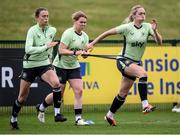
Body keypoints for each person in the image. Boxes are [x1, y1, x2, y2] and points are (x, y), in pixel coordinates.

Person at [86, 5, 162, 126]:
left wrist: (156, 31)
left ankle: (109, 116)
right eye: (141, 13)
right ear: (134, 15)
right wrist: (91, 44)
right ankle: (145, 105)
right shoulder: (127, 27)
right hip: (123, 60)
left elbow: (159, 43)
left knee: (123, 94)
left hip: (135, 62)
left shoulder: (148, 27)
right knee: (143, 74)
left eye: (144, 13)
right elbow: (106, 33)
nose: (143, 15)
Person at [10, 7, 64, 130]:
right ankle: (13, 118)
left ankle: (57, 114)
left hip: (44, 64)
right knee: (22, 97)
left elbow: (50, 48)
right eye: (43, 16)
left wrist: (50, 60)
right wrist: (45, 47)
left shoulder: (52, 30)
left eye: (47, 16)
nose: (46, 18)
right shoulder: (32, 31)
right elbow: (28, 49)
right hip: (30, 66)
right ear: (37, 18)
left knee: (57, 84)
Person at [36, 11, 90, 126]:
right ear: (75, 21)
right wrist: (75, 52)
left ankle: (78, 119)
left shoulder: (85, 36)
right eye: (81, 22)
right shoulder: (68, 33)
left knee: (79, 90)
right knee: (59, 94)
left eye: (85, 22)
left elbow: (84, 52)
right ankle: (41, 107)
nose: (83, 24)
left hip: (74, 67)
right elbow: (61, 50)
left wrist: (85, 53)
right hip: (60, 66)